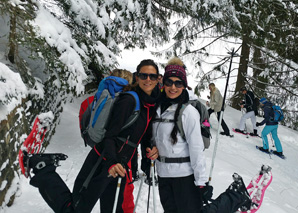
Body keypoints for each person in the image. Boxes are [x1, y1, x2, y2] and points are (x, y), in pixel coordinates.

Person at [23, 61, 160, 213]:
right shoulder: (129, 100)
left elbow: (142, 135)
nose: (148, 79)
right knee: (77, 209)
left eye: (152, 76)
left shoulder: (150, 105)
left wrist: (151, 149)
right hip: (103, 160)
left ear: (158, 79)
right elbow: (110, 135)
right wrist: (112, 162)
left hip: (120, 166)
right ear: (137, 77)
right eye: (144, 75)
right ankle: (43, 168)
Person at [151, 57, 208, 212]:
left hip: (184, 178)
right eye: (169, 82)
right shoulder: (157, 109)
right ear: (163, 83)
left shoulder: (188, 112)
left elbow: (196, 147)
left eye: (178, 83)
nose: (173, 87)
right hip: (163, 175)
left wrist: (201, 181)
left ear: (184, 86)